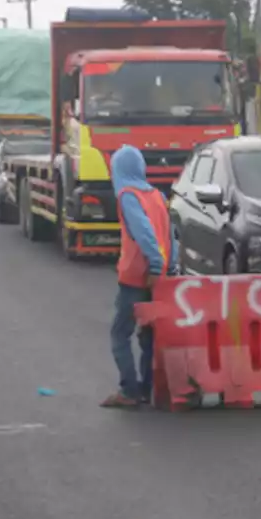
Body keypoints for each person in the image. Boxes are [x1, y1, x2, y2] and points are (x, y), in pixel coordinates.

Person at [101, 145, 178, 409]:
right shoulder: (157, 195)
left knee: (120, 334)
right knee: (148, 336)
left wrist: (155, 265)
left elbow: (145, 233)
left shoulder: (127, 196)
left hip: (136, 276)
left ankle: (129, 391)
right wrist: (170, 267)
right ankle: (146, 390)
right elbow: (170, 235)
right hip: (159, 277)